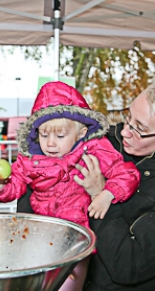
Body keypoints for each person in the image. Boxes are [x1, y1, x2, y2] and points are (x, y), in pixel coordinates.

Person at [0, 81, 140, 291]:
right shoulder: (31, 159)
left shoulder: (94, 151)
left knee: (66, 285)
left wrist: (108, 193)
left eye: (60, 136)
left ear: (80, 132)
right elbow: (14, 186)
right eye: (44, 135)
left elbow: (127, 173)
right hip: (40, 234)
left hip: (75, 239)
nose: (50, 143)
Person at [74, 81, 155, 290]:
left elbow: (129, 265)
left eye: (140, 129)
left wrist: (101, 194)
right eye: (128, 118)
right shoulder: (103, 140)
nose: (125, 132)